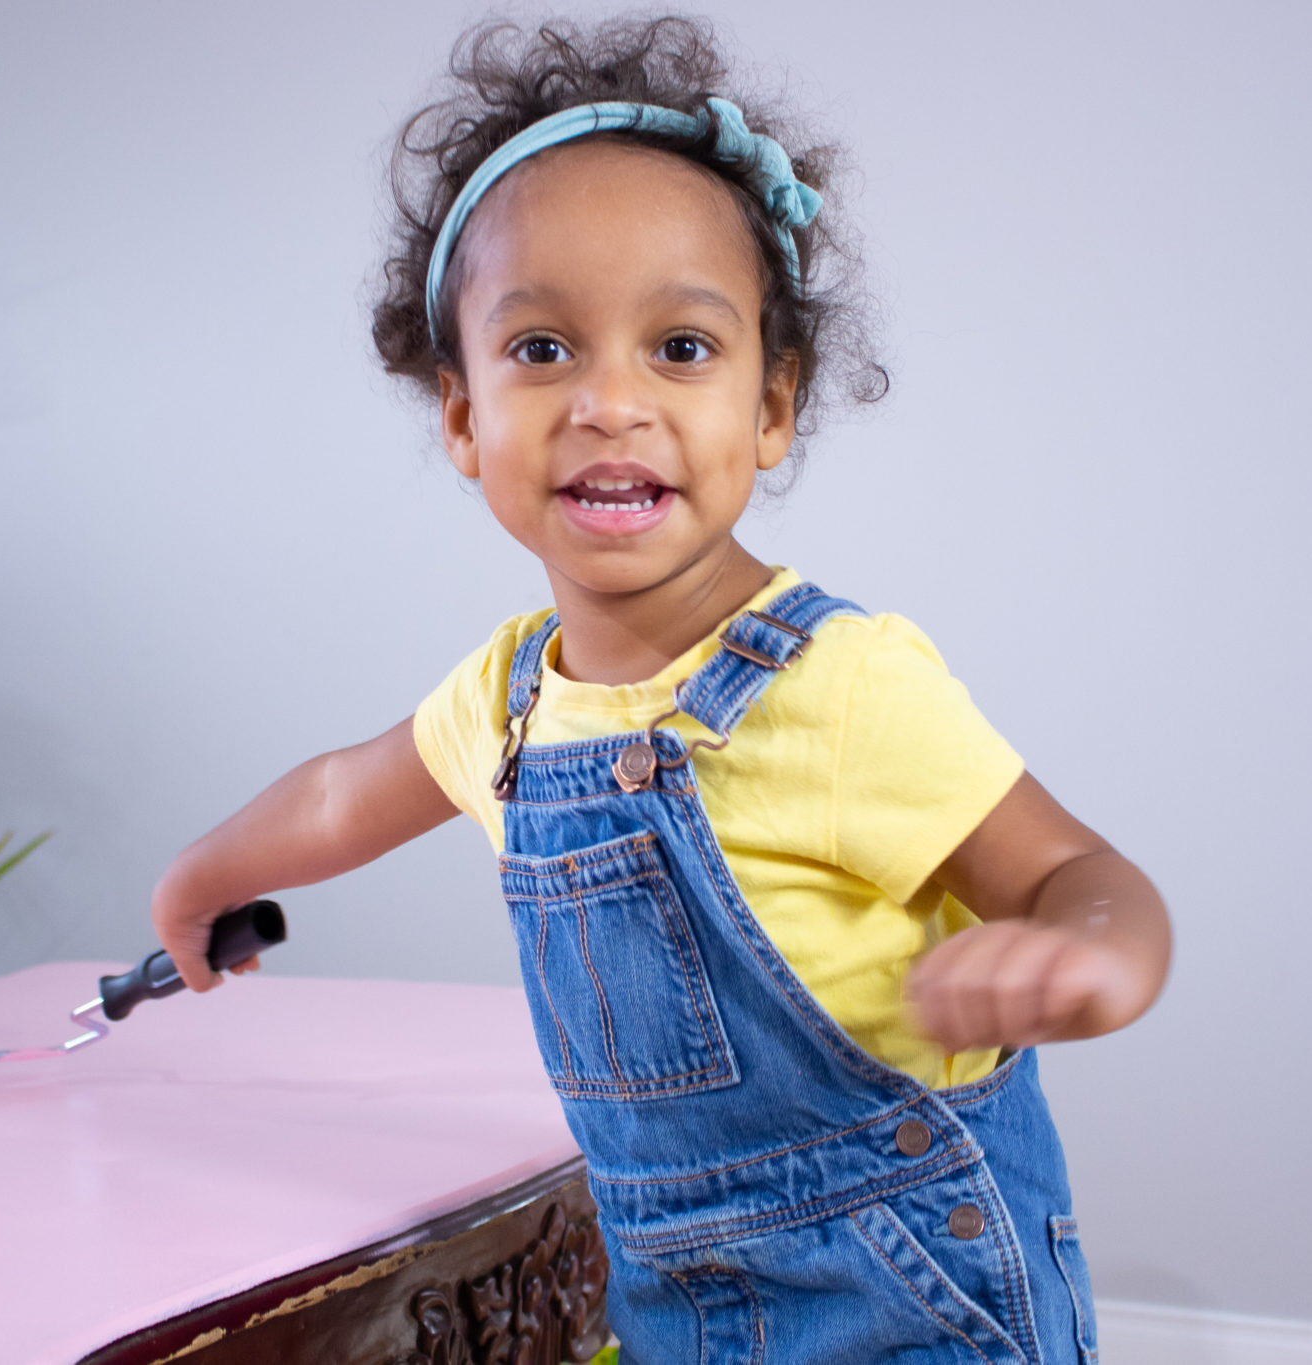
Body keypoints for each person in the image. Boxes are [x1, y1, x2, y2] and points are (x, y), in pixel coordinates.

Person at [152, 16, 1170, 1360]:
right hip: (679, 1310)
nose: (610, 402)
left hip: (918, 1306)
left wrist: (1087, 949)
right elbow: (346, 792)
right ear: (461, 416)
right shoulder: (510, 702)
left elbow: (1083, 872)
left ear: (772, 405)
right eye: (541, 350)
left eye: (680, 349)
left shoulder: (841, 683)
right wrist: (202, 875)